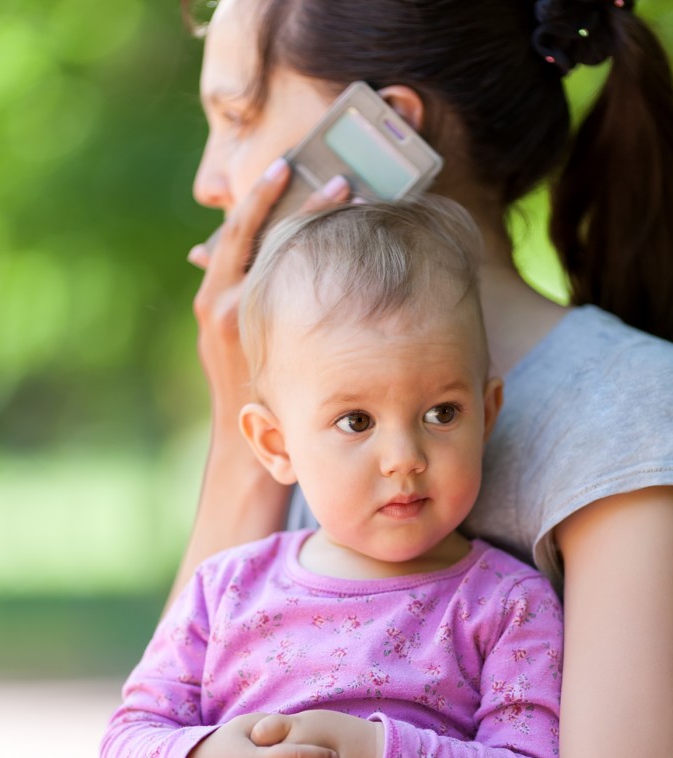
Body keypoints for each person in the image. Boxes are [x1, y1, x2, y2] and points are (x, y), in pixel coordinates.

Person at [173, 0, 673, 755]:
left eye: (239, 115)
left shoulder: (626, 412)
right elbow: (165, 717)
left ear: (386, 134)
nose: (208, 178)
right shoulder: (300, 398)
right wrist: (241, 439)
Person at [103, 199, 564, 758]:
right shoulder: (225, 589)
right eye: (356, 421)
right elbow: (128, 737)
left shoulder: (507, 605)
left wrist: (378, 748)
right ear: (277, 444)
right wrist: (205, 751)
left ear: (487, 414)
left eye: (441, 413)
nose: (404, 457)